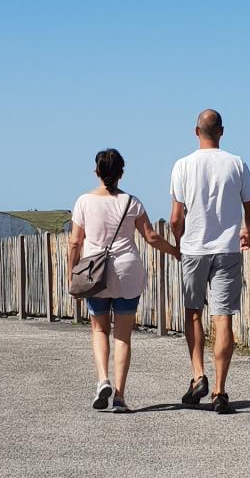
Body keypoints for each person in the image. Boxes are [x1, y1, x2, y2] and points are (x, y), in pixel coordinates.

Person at [69, 148, 180, 413]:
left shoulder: (84, 201)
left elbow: (75, 241)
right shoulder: (132, 202)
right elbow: (151, 236)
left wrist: (71, 273)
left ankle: (102, 380)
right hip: (127, 270)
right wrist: (175, 250)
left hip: (95, 272)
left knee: (99, 329)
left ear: (97, 172)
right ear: (121, 173)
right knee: (123, 336)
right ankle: (119, 396)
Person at [170, 109, 250, 415]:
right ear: (222, 131)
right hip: (228, 249)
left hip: (194, 249)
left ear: (196, 132)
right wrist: (249, 231)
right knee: (224, 318)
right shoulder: (236, 163)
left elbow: (175, 217)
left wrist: (179, 241)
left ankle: (199, 375)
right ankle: (220, 391)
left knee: (193, 312)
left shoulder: (182, 166)